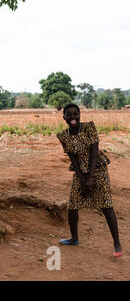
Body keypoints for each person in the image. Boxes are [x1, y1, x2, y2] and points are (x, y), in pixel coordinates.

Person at [56, 104, 122, 258]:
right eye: (69, 115)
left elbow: (94, 151)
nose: (72, 117)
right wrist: (82, 178)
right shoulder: (64, 136)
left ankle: (117, 244)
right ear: (63, 117)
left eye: (75, 114)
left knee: (106, 205)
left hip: (98, 169)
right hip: (81, 173)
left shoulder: (89, 128)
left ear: (80, 115)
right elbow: (72, 158)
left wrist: (91, 177)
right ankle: (74, 238)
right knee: (72, 206)